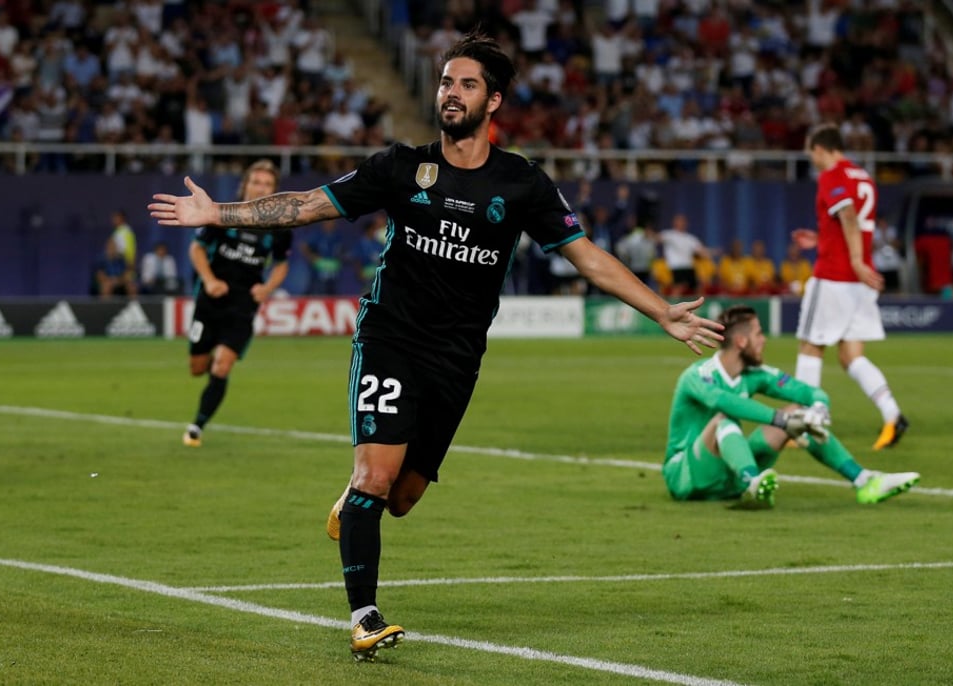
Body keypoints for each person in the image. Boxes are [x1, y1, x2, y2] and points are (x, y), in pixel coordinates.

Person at [149, 32, 724, 662]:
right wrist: (219, 215)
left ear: (494, 101)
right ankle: (365, 617)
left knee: (402, 498)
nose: (451, 93)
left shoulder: (523, 182)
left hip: (456, 358)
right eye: (446, 82)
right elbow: (308, 205)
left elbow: (588, 258)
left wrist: (662, 311)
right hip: (390, 337)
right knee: (376, 476)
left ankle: (357, 495)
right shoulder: (400, 166)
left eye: (467, 84)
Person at [663, 305, 920, 508]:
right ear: (741, 342)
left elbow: (807, 391)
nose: (763, 340)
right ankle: (752, 482)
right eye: (758, 334)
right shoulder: (699, 375)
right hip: (686, 476)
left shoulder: (755, 374)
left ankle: (864, 481)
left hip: (726, 478)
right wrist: (780, 420)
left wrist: (817, 409)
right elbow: (724, 402)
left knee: (798, 413)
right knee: (723, 419)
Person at [792, 123, 907, 451]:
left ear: (821, 149)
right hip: (860, 281)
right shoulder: (863, 177)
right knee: (851, 356)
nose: (810, 158)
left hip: (835, 277)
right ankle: (892, 414)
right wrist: (821, 239)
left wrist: (855, 259)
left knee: (810, 347)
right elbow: (851, 223)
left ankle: (806, 423)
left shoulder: (832, 175)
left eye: (810, 151)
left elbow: (848, 215)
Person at [180, 159, 293, 448]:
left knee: (222, 366)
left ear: (274, 190)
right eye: (256, 182)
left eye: (267, 184)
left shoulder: (279, 227)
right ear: (245, 185)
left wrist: (267, 288)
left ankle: (196, 427)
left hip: (243, 305)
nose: (261, 188)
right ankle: (209, 367)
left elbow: (281, 265)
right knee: (197, 368)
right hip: (211, 300)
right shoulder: (223, 214)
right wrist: (209, 280)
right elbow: (197, 249)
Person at [655, 213, 710, 296]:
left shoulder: (690, 238)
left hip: (688, 266)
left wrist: (708, 253)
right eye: (679, 221)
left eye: (683, 221)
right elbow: (656, 238)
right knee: (678, 288)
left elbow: (701, 251)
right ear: (674, 222)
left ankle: (701, 306)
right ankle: (673, 306)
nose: (681, 223)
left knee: (697, 287)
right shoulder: (669, 234)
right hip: (676, 267)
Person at [301, 219, 345, 294]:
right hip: (319, 275)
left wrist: (340, 258)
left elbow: (342, 250)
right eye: (328, 222)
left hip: (333, 275)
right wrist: (311, 257)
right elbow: (303, 246)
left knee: (333, 297)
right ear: (324, 223)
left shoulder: (338, 236)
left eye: (332, 222)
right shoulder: (317, 234)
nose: (330, 224)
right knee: (318, 295)